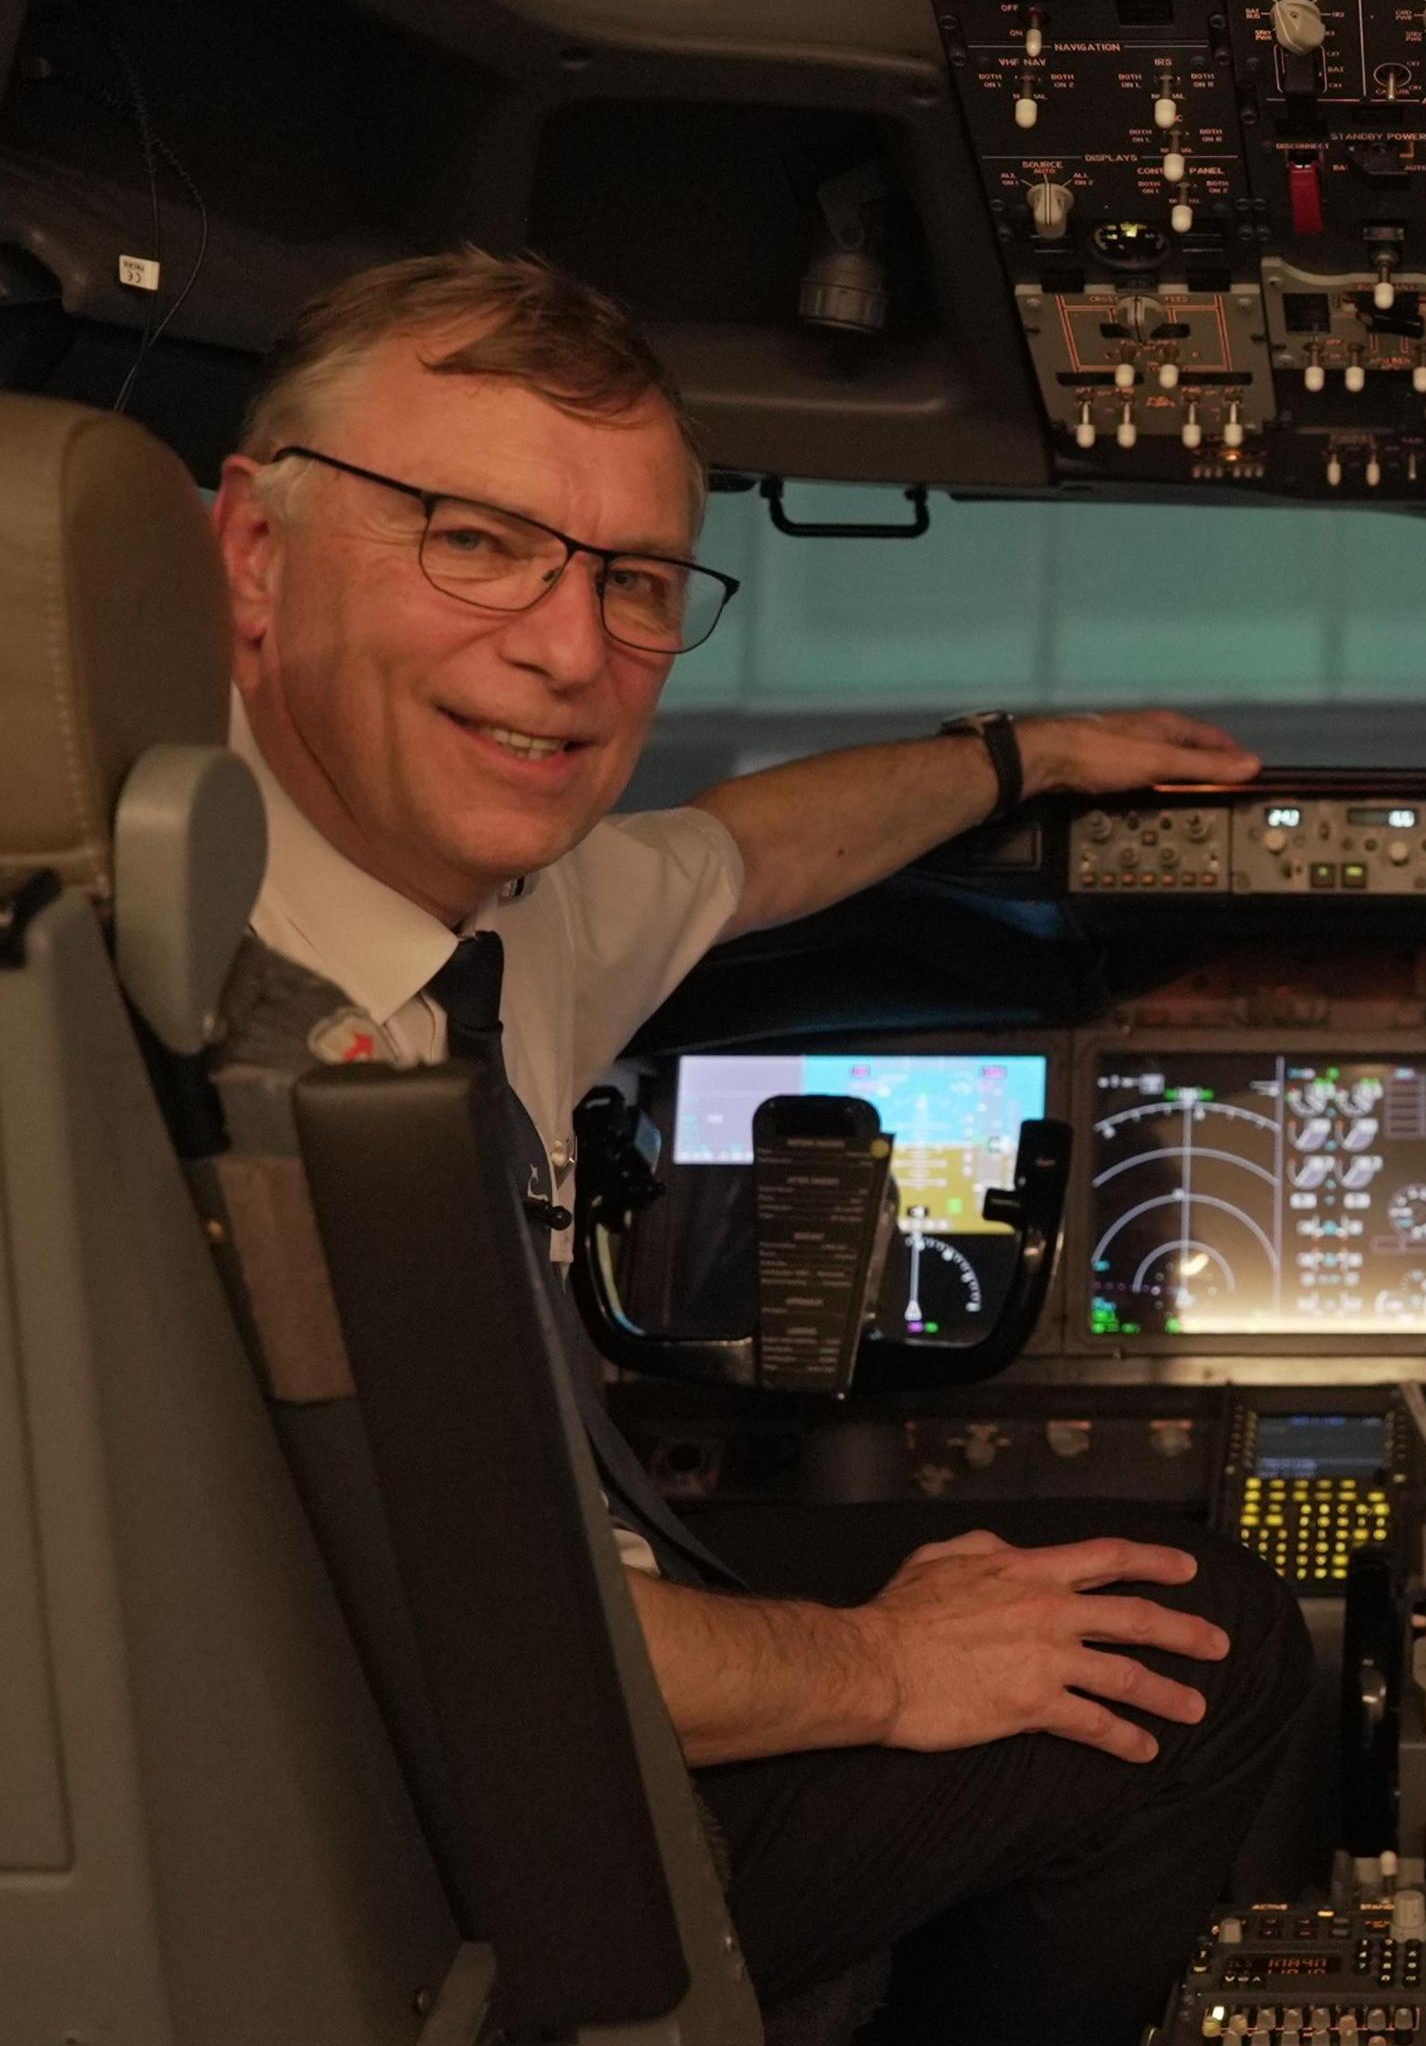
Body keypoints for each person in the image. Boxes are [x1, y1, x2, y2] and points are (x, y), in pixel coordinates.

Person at [204, 246, 1306, 2040]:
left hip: (525, 1664)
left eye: (632, 581)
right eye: (471, 540)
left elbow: (749, 849)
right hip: (440, 1849)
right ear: (254, 552)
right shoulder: (215, 1047)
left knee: (1135, 1593)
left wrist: (1025, 751)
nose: (569, 651)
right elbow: (457, 1643)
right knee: (1199, 1661)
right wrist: (876, 1666)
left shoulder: (500, 910)